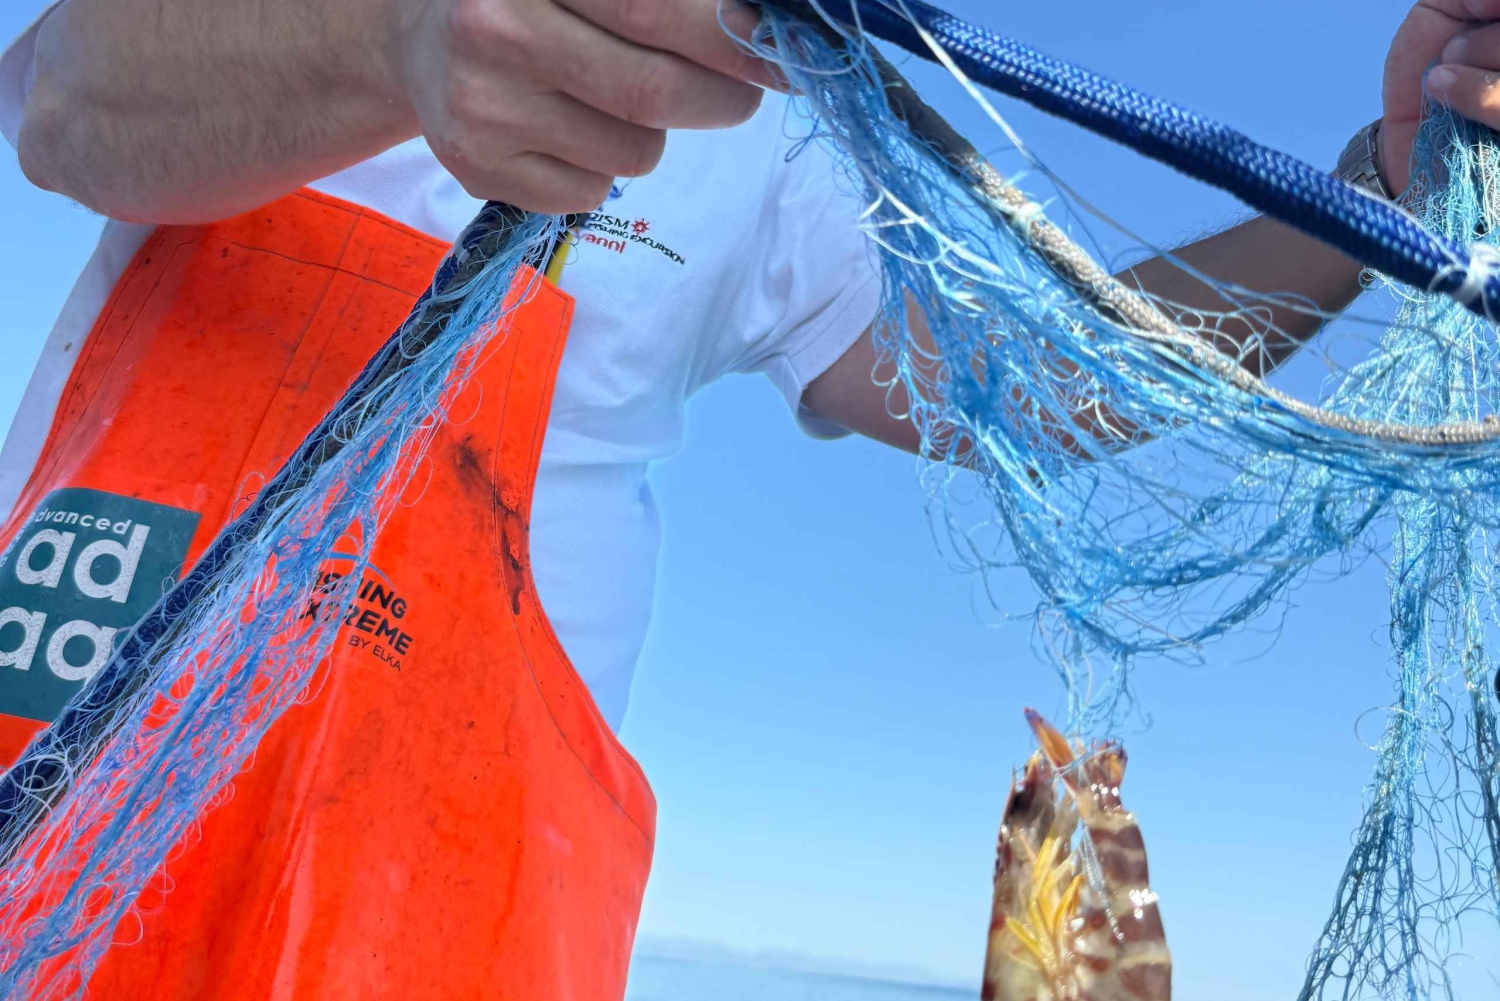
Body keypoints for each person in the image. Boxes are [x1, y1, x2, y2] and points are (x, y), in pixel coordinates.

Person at [0, 0, 1495, 997]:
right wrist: (398, 43)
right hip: (55, 781)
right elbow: (57, 97)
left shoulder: (774, 101)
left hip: (455, 909)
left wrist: (1381, 188)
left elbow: (1043, 377)